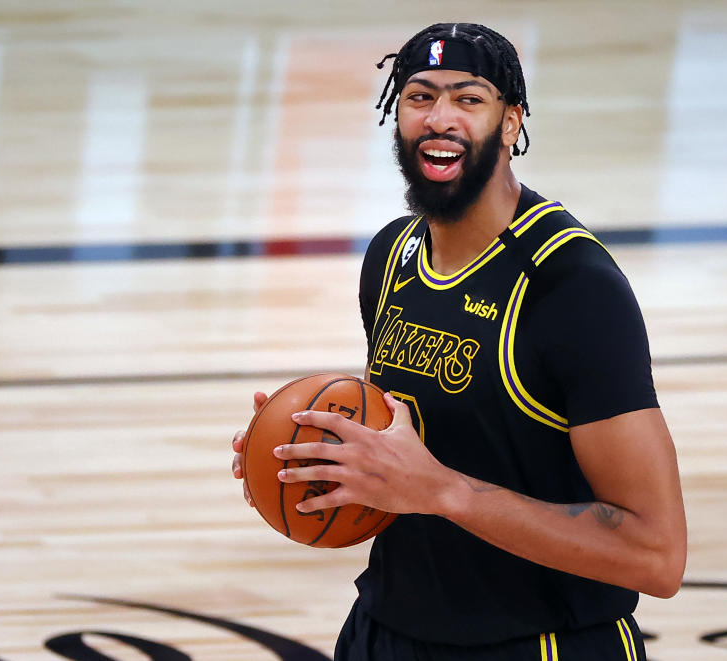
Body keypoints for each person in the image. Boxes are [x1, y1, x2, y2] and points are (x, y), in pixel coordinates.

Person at [232, 22, 686, 661]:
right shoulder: (393, 251)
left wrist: (440, 490)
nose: (439, 118)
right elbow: (419, 436)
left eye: (468, 99)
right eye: (420, 97)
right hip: (384, 632)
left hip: (543, 644)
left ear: (510, 121)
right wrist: (313, 448)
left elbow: (657, 554)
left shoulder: (572, 286)